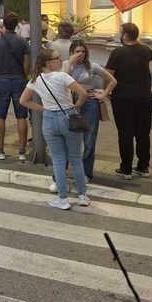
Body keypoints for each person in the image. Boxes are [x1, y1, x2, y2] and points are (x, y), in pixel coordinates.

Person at [20, 48, 90, 210]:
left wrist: (43, 109)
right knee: (75, 158)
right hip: (68, 118)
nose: (61, 59)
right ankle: (82, 195)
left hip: (50, 120)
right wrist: (75, 107)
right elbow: (83, 94)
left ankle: (63, 199)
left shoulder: (36, 80)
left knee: (58, 160)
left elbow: (23, 100)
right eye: (57, 58)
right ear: (49, 63)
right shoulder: (63, 76)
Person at [105, 22, 152, 180]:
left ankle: (126, 168)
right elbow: (146, 51)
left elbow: (108, 74)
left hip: (123, 97)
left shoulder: (118, 53)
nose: (120, 35)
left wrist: (106, 92)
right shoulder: (146, 51)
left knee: (125, 133)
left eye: (121, 33)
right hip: (145, 96)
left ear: (125, 35)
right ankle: (143, 167)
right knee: (143, 133)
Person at [63, 40, 116, 182]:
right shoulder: (66, 65)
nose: (80, 54)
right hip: (71, 101)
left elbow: (112, 81)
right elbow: (63, 80)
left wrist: (103, 94)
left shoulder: (92, 67)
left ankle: (86, 172)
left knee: (89, 139)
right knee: (69, 137)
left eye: (83, 51)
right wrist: (70, 63)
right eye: (77, 51)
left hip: (89, 102)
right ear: (71, 53)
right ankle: (63, 172)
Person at [0, 13, 31, 161]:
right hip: (19, 79)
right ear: (17, 24)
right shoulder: (23, 41)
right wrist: (24, 76)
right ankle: (22, 151)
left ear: (4, 24)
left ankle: (0, 150)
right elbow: (27, 63)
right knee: (21, 116)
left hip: (2, 78)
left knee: (0, 115)